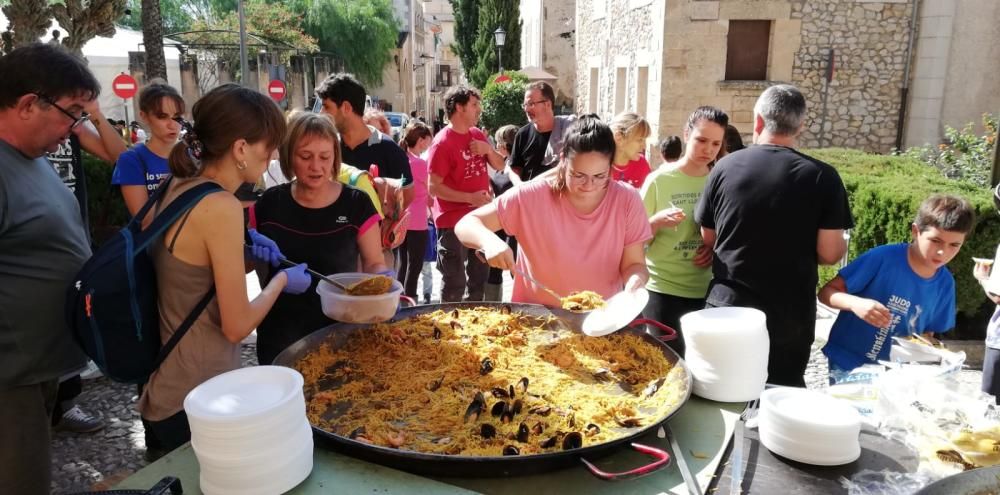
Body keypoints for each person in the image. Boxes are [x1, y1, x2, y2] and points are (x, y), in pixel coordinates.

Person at [138, 84, 309, 460]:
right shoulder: (221, 206)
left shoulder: (180, 183)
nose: (272, 158)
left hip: (173, 382)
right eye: (269, 148)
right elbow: (237, 326)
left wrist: (247, 253)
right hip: (195, 396)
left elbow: (190, 270)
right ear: (241, 148)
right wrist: (281, 280)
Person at [694, 84, 853, 387]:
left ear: (757, 121)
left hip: (729, 306)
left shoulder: (724, 167)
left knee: (721, 395)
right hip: (789, 315)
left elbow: (709, 237)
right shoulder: (824, 177)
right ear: (800, 126)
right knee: (779, 398)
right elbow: (830, 254)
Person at [0, 43, 100, 494]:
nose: (76, 127)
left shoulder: (31, 158)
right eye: (72, 112)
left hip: (35, 372)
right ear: (26, 105)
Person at [454, 115, 652, 306]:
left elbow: (633, 264)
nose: (589, 185)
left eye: (600, 176)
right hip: (536, 323)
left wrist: (635, 282)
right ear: (563, 159)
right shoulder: (532, 196)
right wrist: (489, 242)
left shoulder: (627, 199)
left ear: (611, 166)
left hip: (600, 322)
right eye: (578, 175)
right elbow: (467, 224)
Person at [250, 112, 388, 365]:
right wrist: (252, 255)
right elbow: (251, 268)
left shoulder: (357, 203)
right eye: (305, 156)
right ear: (290, 155)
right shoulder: (269, 203)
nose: (316, 166)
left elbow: (373, 262)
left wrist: (381, 282)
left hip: (342, 332)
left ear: (335, 157)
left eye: (325, 157)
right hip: (280, 333)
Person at [46, 87, 128, 434]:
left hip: (72, 234)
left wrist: (92, 114)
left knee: (67, 317)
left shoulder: (72, 129)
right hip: (32, 240)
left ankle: (65, 403)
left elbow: (121, 157)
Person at [821, 195, 973, 380]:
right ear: (916, 231)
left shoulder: (945, 284)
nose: (943, 252)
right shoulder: (882, 258)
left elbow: (927, 334)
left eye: (954, 245)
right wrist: (855, 303)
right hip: (849, 363)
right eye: (935, 241)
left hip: (897, 375)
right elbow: (826, 293)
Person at [641, 107, 729, 356]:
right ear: (686, 134)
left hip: (706, 289)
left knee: (700, 367)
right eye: (701, 140)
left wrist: (714, 249)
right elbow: (632, 239)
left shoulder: (719, 180)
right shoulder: (659, 180)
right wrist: (656, 221)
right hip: (662, 287)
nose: (708, 150)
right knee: (665, 364)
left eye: (716, 143)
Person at [427, 85, 507, 302]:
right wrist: (470, 198)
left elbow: (501, 166)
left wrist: (488, 149)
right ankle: (447, 331)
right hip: (452, 222)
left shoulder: (477, 134)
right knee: (454, 282)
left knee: (479, 279)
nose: (479, 109)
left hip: (481, 219)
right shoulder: (442, 143)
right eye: (474, 105)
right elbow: (433, 187)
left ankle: (475, 328)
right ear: (459, 108)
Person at [112, 81, 184, 218]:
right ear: (144, 116)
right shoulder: (131, 160)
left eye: (177, 117)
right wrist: (168, 192)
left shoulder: (193, 156)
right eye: (162, 116)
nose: (172, 125)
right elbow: (145, 222)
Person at [484, 124, 522, 301]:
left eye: (498, 143)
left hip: (513, 225)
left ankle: (522, 302)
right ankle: (493, 306)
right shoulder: (503, 165)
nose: (496, 147)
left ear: (505, 146)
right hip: (498, 223)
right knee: (494, 269)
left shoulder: (515, 169)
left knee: (516, 269)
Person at [509, 81, 575, 181]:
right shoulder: (522, 134)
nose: (526, 109)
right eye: (525, 105)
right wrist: (520, 185)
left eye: (531, 104)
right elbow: (514, 169)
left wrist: (534, 184)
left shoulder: (568, 129)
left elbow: (570, 166)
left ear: (547, 104)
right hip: (529, 194)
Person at [397, 121, 434, 300]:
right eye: (428, 139)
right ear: (421, 140)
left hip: (402, 219)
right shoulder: (419, 164)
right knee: (415, 264)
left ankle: (401, 297)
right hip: (417, 221)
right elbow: (430, 192)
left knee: (403, 263)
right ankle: (411, 297)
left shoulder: (403, 159)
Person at [609, 112, 653, 189]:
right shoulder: (600, 166)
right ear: (619, 138)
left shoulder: (641, 165)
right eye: (640, 140)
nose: (644, 146)